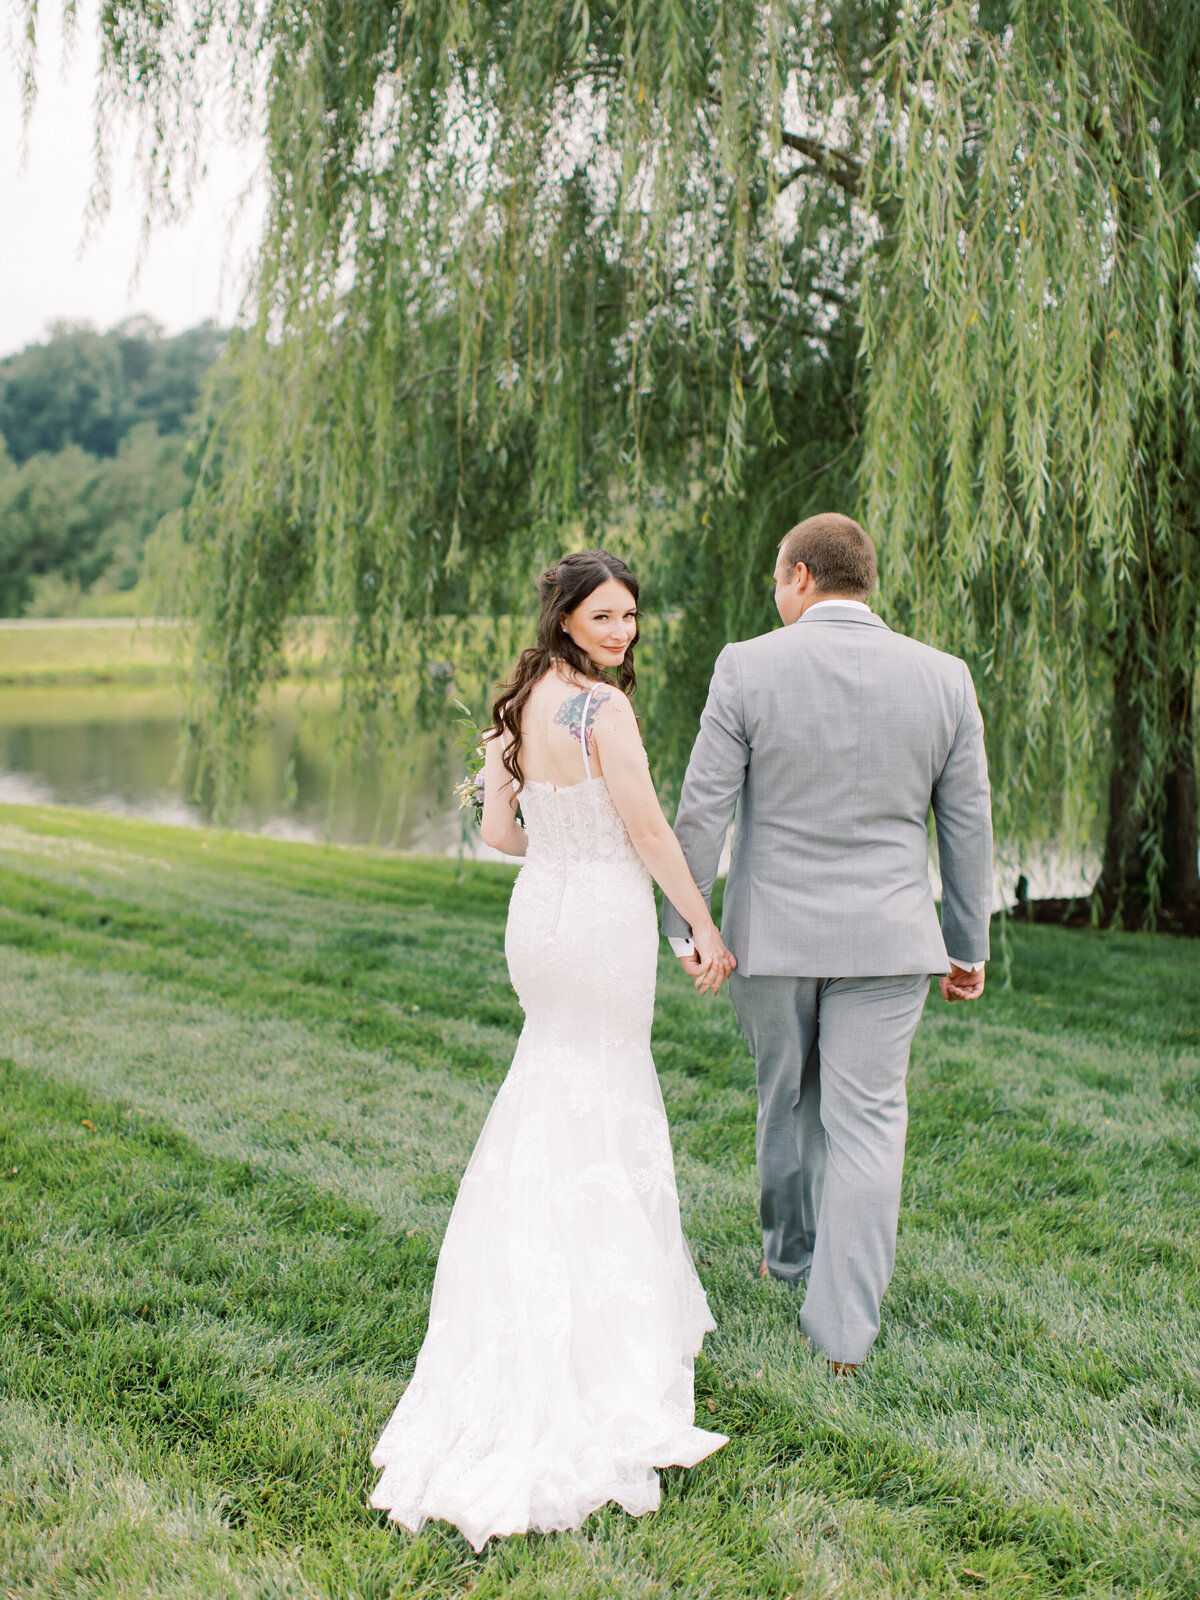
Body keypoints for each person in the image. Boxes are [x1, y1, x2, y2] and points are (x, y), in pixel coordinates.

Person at [369, 550, 731, 1550]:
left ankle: (532, 1301)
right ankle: (600, 1344)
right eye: (606, 616)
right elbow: (650, 829)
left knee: (553, 1091)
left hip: (541, 920)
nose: (623, 632)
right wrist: (700, 921)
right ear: (568, 616)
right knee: (605, 1096)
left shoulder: (520, 703)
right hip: (604, 923)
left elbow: (501, 834)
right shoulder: (603, 713)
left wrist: (562, 829)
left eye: (630, 617)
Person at [663, 513, 992, 1376]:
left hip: (769, 938)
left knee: (785, 1097)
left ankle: (790, 1255)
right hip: (891, 939)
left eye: (778, 581)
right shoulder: (945, 678)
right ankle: (843, 1334)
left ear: (801, 576)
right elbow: (967, 828)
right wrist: (968, 944)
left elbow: (702, 810)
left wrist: (688, 925)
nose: (776, 596)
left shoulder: (747, 665)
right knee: (871, 1123)